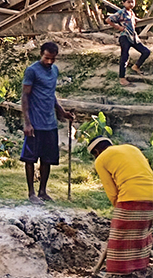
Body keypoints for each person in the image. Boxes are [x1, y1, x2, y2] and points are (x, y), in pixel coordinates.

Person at [88, 136, 153, 277]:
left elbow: (111, 192)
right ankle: (139, 269)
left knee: (119, 238)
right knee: (141, 235)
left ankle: (117, 273)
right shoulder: (132, 148)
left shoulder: (101, 159)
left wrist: (119, 209)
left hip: (131, 197)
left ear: (97, 151)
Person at [20, 41, 75, 204]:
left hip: (50, 122)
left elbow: (51, 95)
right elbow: (25, 96)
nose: (49, 62)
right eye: (46, 58)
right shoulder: (32, 71)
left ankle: (43, 191)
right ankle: (31, 193)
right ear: (41, 54)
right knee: (30, 159)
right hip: (35, 122)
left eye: (53, 59)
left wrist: (62, 112)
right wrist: (27, 123)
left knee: (47, 159)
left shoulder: (55, 71)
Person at [107, 0, 150, 87]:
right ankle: (122, 79)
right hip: (125, 37)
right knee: (125, 57)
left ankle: (136, 66)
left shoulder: (131, 13)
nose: (131, 4)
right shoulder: (121, 12)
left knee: (146, 52)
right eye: (128, 2)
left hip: (133, 37)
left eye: (132, 2)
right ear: (123, 3)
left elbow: (134, 20)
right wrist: (118, 27)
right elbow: (109, 20)